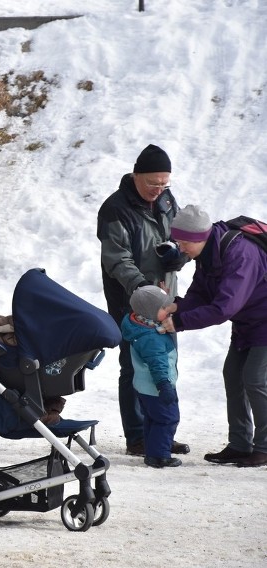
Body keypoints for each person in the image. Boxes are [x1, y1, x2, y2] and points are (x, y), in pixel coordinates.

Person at [97, 144, 190, 457]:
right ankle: (137, 436)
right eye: (153, 183)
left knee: (166, 364)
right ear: (136, 176)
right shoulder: (115, 209)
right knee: (135, 367)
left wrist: (179, 254)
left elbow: (177, 233)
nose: (158, 190)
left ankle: (161, 433)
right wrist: (140, 288)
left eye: (164, 183)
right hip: (132, 303)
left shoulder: (165, 200)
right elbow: (116, 258)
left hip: (166, 300)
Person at [160, 205, 267, 467]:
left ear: (199, 237)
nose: (181, 248)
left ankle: (264, 447)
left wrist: (180, 322)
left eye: (184, 242)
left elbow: (223, 308)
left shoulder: (241, 254)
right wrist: (178, 305)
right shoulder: (208, 254)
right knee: (233, 375)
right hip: (247, 321)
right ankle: (240, 445)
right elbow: (201, 293)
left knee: (255, 378)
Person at [120, 286, 182, 468]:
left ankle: (151, 451)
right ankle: (159, 456)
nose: (169, 311)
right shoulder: (151, 337)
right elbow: (157, 363)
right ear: (150, 312)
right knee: (167, 418)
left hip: (144, 387)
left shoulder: (140, 325)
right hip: (156, 386)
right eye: (165, 309)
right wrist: (164, 384)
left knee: (152, 418)